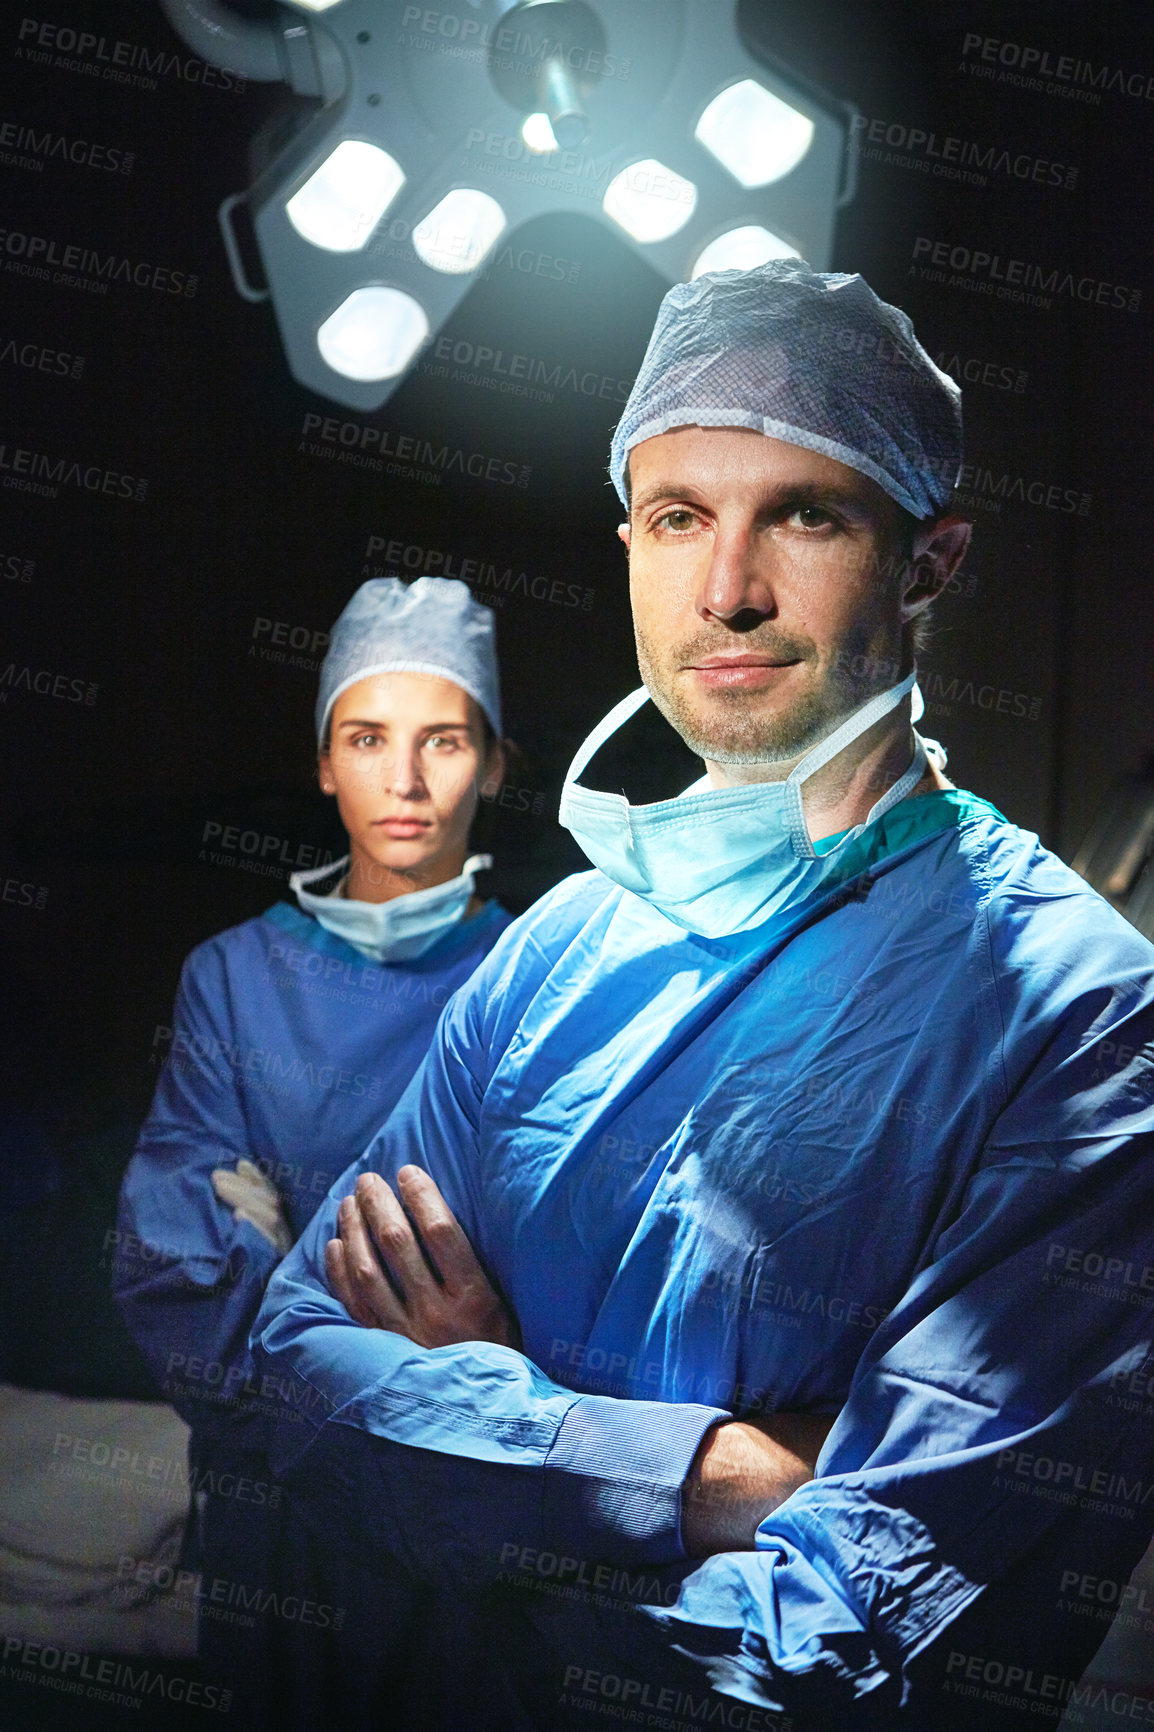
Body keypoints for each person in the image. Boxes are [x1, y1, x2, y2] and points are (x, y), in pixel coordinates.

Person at [253, 263, 1154, 1731]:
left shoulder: (1080, 1020)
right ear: (627, 547)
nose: (726, 589)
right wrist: (736, 1473)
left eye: (803, 513)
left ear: (925, 562)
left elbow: (838, 1643)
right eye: (679, 518)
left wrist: (485, 1421)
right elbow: (292, 1373)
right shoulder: (555, 949)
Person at [113, 576, 512, 1723]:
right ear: (323, 762)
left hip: (467, 1493)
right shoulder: (231, 978)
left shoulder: (541, 976)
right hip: (271, 1504)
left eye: (442, 739)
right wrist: (412, 1322)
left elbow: (545, 1288)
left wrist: (286, 1264)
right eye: (365, 737)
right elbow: (171, 1270)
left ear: (491, 763)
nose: (403, 780)